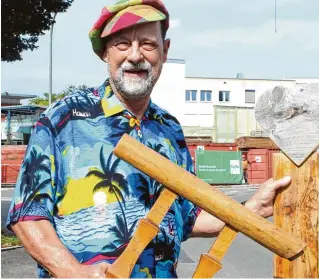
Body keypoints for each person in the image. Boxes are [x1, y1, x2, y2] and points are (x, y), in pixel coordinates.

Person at [5, 0, 292, 278]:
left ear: (165, 51)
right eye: (122, 44)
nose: (135, 55)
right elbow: (27, 215)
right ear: (105, 52)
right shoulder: (64, 118)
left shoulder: (169, 130)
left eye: (148, 44)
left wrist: (250, 209)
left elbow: (187, 219)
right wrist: (73, 272)